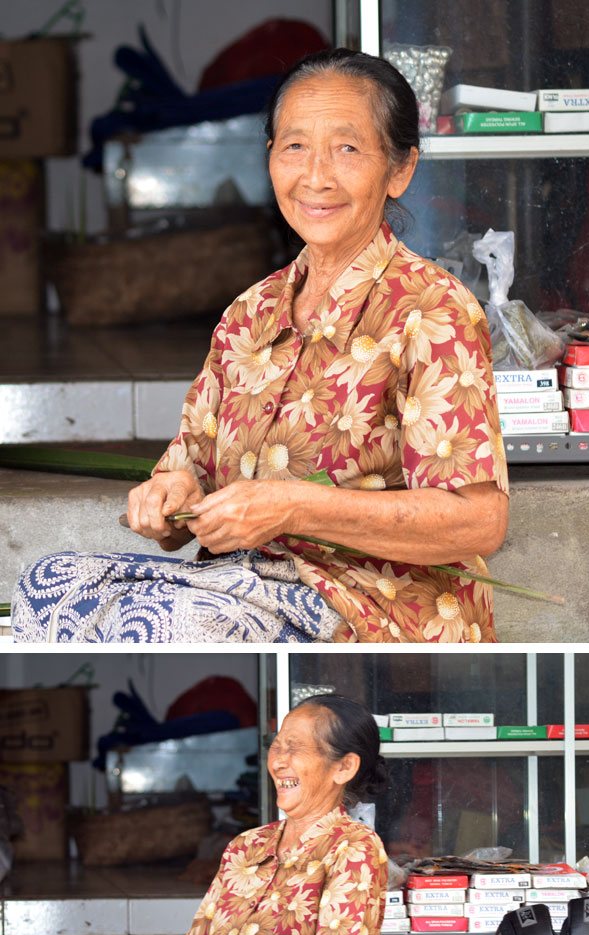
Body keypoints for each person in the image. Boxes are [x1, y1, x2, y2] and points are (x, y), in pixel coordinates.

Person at [13, 48, 508, 645]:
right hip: (244, 582)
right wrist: (168, 499)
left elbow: (479, 521)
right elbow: (187, 467)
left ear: (399, 170)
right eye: (294, 146)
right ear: (270, 158)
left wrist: (294, 509)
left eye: (348, 149)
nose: (316, 176)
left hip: (372, 602)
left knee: (173, 623)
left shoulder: (432, 310)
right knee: (45, 585)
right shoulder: (249, 314)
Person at [60, 695, 389, 935]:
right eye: (276, 747)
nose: (279, 762)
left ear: (344, 767)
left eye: (296, 748)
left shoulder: (353, 848)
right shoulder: (246, 847)